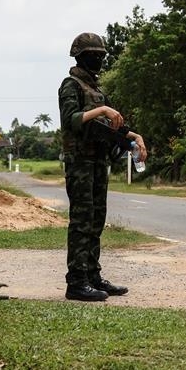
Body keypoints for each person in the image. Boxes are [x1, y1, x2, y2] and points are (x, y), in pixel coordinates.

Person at [58, 32, 147, 302]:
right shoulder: (70, 85)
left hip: (98, 161)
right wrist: (102, 111)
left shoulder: (97, 90)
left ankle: (93, 276)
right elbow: (71, 120)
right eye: (93, 55)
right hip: (80, 163)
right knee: (81, 222)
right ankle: (76, 281)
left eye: (101, 55)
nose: (98, 59)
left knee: (96, 221)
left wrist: (136, 138)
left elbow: (115, 126)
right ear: (81, 57)